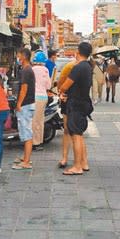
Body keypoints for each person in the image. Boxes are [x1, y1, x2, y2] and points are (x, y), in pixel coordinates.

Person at [60, 42, 93, 176]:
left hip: (76, 104)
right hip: (83, 102)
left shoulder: (78, 67)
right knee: (79, 135)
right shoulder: (88, 67)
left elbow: (65, 86)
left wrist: (62, 91)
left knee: (76, 136)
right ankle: (84, 163)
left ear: (78, 52)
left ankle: (77, 166)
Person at [12, 48, 35, 170]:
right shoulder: (26, 69)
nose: (17, 58)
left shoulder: (26, 70)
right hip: (28, 104)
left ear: (24, 56)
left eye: (18, 55)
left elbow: (24, 89)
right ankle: (25, 157)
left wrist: (19, 104)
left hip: (26, 104)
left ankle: (26, 161)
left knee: (26, 133)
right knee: (25, 132)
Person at [57, 58, 77, 169]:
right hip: (73, 101)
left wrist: (61, 91)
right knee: (70, 131)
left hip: (71, 101)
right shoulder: (85, 67)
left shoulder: (71, 66)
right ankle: (78, 160)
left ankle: (66, 158)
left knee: (69, 131)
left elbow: (61, 85)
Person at [31, 51, 52, 151]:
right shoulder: (45, 70)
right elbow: (48, 85)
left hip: (35, 97)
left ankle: (35, 143)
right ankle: (39, 141)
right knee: (40, 121)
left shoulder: (32, 69)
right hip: (44, 97)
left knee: (34, 121)